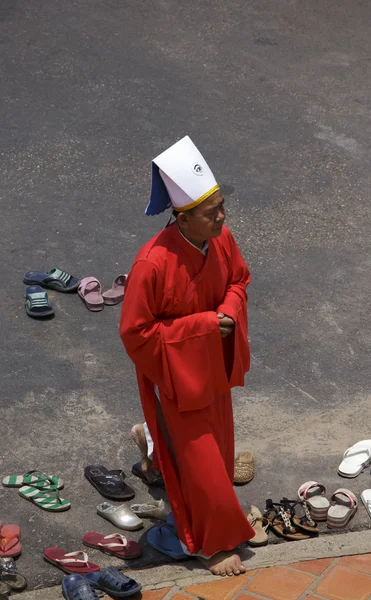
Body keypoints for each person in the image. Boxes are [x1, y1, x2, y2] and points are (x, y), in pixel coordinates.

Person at [120, 136, 254, 577]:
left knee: (218, 451)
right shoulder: (152, 264)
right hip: (177, 377)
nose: (222, 216)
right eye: (211, 211)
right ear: (182, 217)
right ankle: (208, 544)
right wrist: (201, 327)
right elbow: (135, 333)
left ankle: (151, 445)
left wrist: (230, 311)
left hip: (213, 367)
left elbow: (238, 280)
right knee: (199, 463)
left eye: (220, 205)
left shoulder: (221, 239)